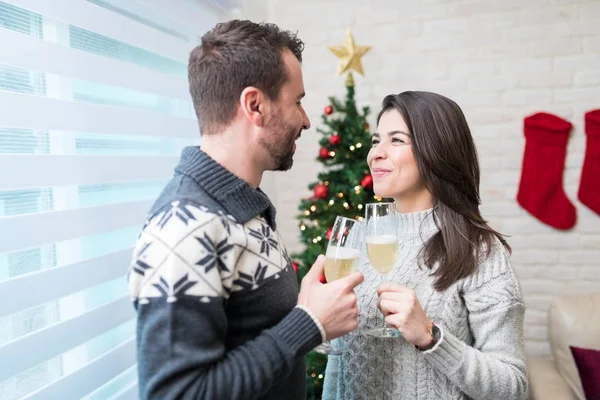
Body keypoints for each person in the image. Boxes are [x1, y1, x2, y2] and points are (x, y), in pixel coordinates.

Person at [127, 20, 364, 400]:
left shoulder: (243, 208)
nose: (305, 120)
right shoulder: (185, 226)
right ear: (255, 105)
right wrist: (309, 322)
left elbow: (252, 338)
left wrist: (302, 309)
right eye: (297, 101)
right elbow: (177, 394)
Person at [322, 91, 528, 399]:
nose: (375, 153)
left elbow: (514, 387)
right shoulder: (358, 236)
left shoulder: (479, 250)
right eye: (376, 140)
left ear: (436, 149)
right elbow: (338, 358)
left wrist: (431, 337)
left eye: (396, 140)